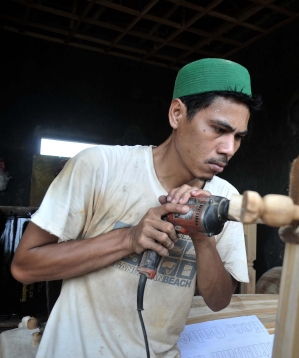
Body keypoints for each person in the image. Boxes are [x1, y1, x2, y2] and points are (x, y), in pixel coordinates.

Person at [11, 58, 262, 357]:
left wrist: (202, 235)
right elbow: (24, 266)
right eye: (219, 129)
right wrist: (128, 238)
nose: (229, 148)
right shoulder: (100, 167)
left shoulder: (223, 199)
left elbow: (219, 301)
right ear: (177, 113)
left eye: (238, 137)